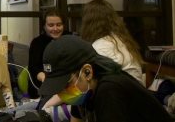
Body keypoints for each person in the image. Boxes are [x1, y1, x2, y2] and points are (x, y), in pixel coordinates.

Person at [39, 35, 171, 122]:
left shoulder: (110, 90)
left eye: (65, 85)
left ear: (87, 72)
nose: (64, 93)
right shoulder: (85, 91)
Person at [80, 0, 144, 85]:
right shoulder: (120, 40)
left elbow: (85, 85)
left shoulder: (101, 46)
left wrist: (64, 97)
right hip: (134, 92)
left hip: (121, 94)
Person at [27, 8, 66, 98]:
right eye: (51, 25)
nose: (55, 29)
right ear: (44, 27)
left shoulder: (69, 39)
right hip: (42, 87)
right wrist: (45, 79)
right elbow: (33, 68)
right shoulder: (37, 43)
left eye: (59, 25)